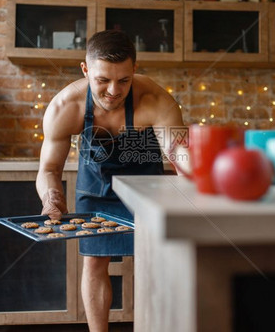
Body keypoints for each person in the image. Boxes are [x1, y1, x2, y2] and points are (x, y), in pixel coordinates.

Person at [36, 30, 184, 331]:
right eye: (103, 80)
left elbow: (179, 155)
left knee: (153, 264)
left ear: (135, 70)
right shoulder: (66, 107)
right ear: (86, 69)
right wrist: (52, 200)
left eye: (124, 80)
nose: (114, 90)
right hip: (96, 189)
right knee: (94, 262)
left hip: (147, 190)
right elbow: (49, 168)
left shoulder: (156, 100)